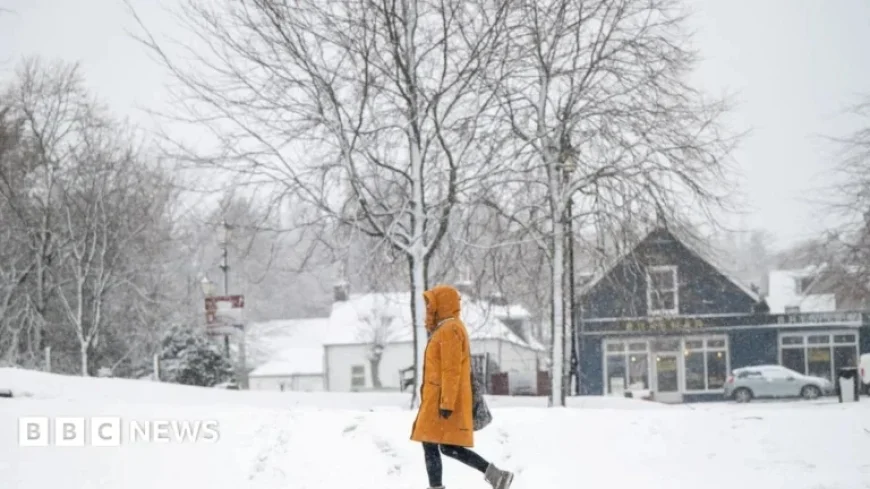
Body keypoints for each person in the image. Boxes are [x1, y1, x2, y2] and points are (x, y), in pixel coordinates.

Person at [410, 284, 514, 489]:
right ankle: (497, 476)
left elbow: (451, 370)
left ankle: (438, 486)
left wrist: (446, 403)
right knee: (447, 447)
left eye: (431, 303)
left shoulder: (449, 329)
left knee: (431, 443)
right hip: (439, 398)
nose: (429, 308)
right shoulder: (448, 328)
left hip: (443, 400)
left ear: (443, 303)